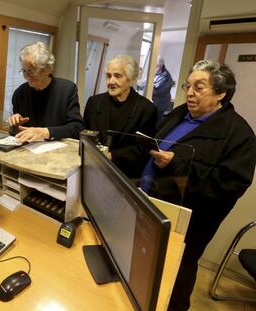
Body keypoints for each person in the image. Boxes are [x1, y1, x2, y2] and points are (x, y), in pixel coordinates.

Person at [116, 60, 256, 310]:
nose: (189, 93)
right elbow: (155, 144)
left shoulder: (239, 135)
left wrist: (177, 164)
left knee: (174, 279)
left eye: (199, 87)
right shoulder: (180, 113)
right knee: (141, 268)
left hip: (187, 224)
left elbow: (230, 185)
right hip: (148, 202)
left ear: (221, 93)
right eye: (188, 86)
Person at [83, 55, 157, 163]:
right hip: (92, 165)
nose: (111, 82)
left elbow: (142, 150)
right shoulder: (94, 103)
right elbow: (84, 135)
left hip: (125, 173)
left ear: (131, 80)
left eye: (117, 76)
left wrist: (111, 155)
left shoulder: (146, 109)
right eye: (108, 76)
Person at [7, 41, 85, 143]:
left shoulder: (67, 90)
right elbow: (17, 133)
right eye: (24, 71)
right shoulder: (19, 93)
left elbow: (77, 128)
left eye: (31, 71)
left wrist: (46, 132)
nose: (26, 76)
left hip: (57, 153)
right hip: (28, 151)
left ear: (47, 69)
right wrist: (15, 125)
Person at [152, 55, 173, 121]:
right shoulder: (155, 73)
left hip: (161, 107)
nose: (154, 68)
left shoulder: (165, 76)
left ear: (161, 65)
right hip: (155, 105)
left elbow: (157, 90)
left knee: (157, 125)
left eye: (156, 66)